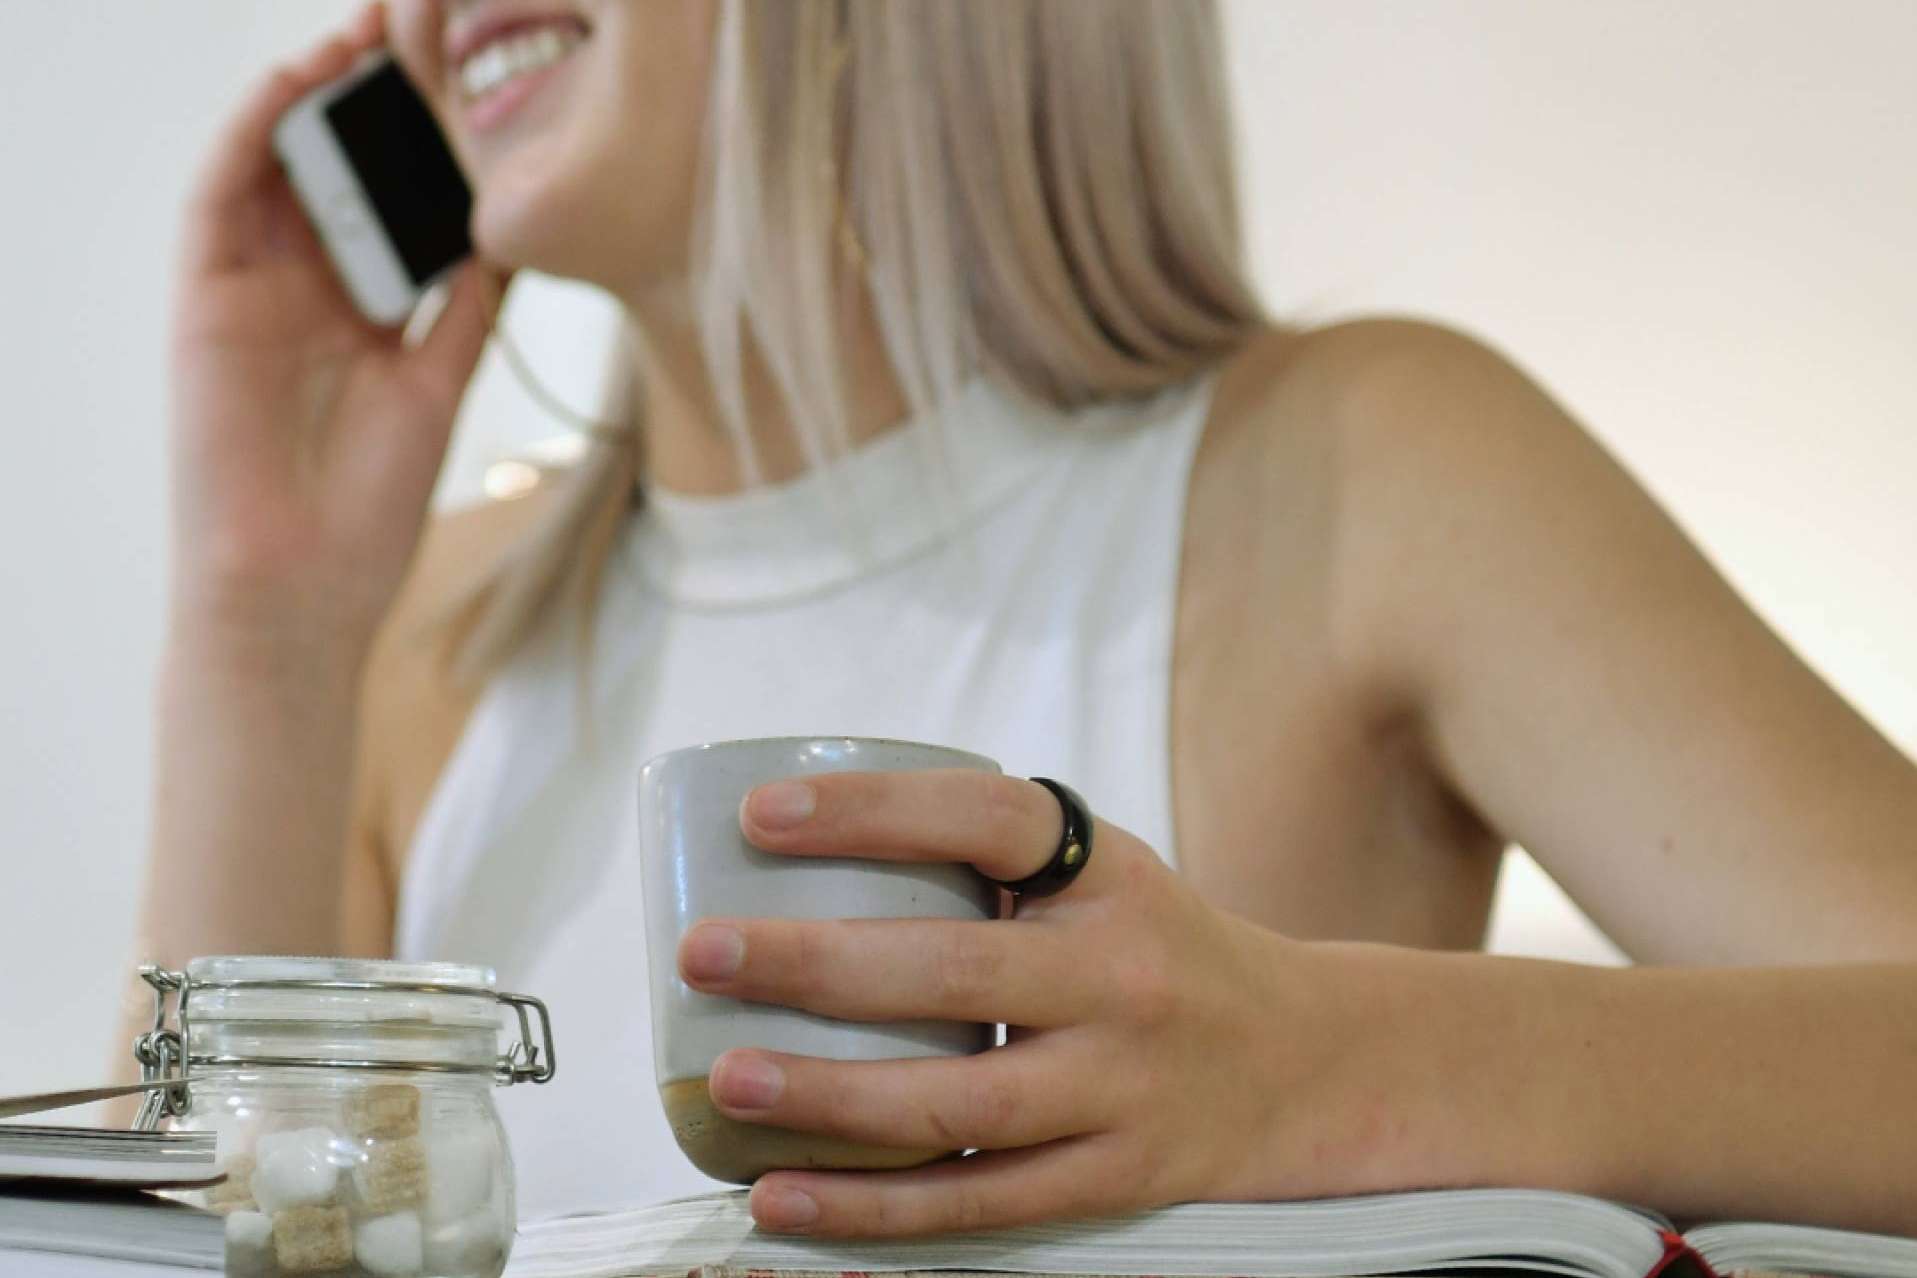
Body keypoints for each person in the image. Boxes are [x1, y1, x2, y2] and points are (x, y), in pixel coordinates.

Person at [133, 0, 1917, 1242]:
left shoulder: (1367, 473)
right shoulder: (421, 634)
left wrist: (1346, 1069)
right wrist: (257, 627)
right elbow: (219, 1233)